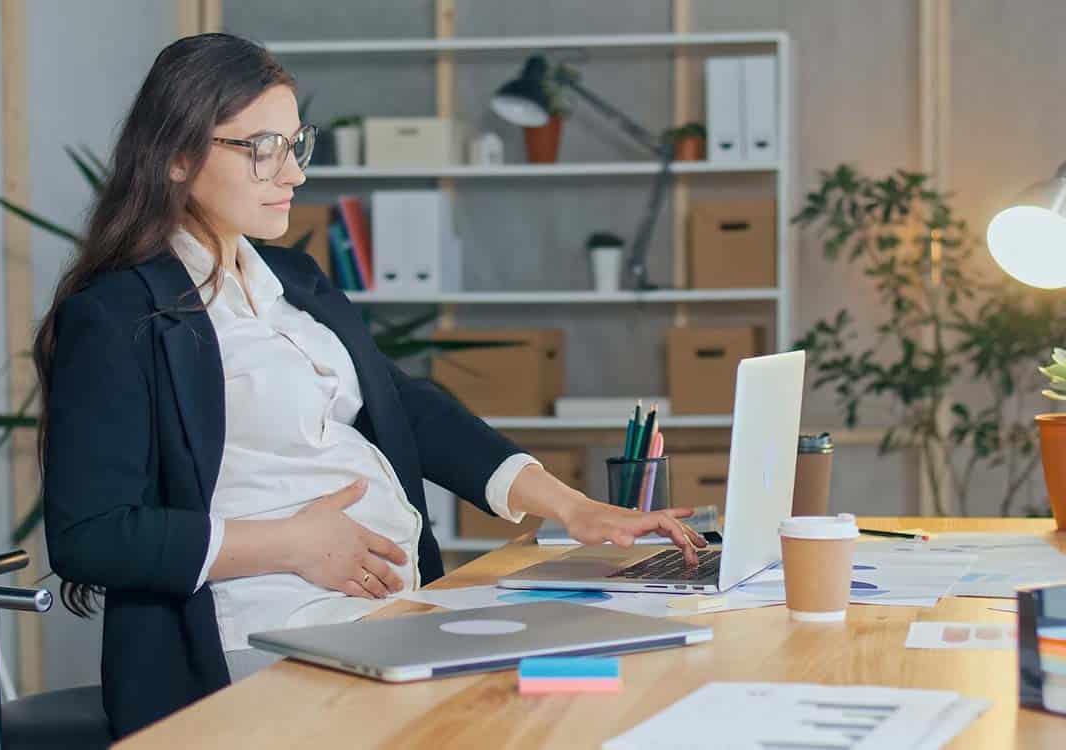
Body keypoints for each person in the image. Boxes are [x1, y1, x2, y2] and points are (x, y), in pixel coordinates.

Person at [37, 33, 706, 738]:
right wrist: (290, 543)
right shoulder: (117, 315)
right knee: (545, 700)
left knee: (615, 663)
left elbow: (406, 408)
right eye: (262, 148)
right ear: (176, 154)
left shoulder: (293, 281)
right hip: (254, 640)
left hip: (378, 622)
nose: (291, 173)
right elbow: (91, 536)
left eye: (297, 145)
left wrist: (575, 511)